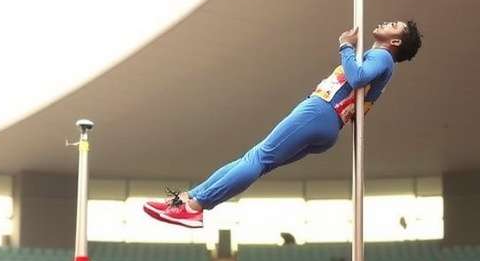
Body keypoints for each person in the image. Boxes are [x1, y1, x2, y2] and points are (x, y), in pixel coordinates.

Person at [143, 21, 423, 228]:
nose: (386, 22)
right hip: (329, 124)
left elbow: (358, 78)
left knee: (257, 158)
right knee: (255, 160)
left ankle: (194, 206)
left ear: (396, 42)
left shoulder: (382, 56)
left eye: (394, 25)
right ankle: (189, 200)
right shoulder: (384, 64)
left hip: (322, 110)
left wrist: (345, 46)